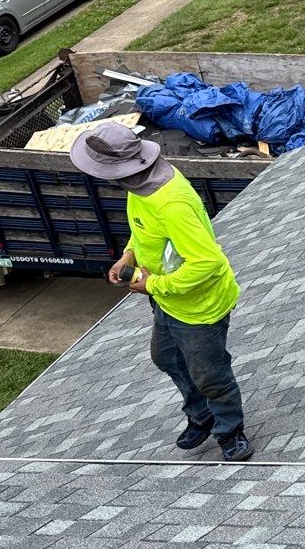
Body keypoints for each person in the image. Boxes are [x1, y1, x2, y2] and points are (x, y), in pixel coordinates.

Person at [68, 122, 253, 461]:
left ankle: (230, 430)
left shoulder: (171, 203)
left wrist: (151, 284)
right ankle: (202, 415)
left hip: (199, 305)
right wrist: (129, 255)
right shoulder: (139, 186)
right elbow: (145, 231)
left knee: (209, 374)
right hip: (169, 298)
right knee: (166, 357)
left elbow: (207, 262)